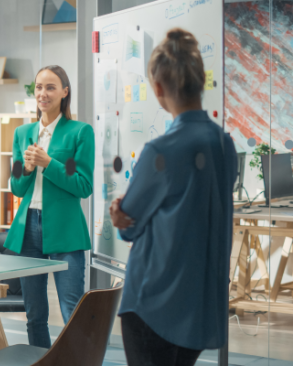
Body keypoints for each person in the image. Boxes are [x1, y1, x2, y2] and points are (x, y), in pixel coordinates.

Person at [110, 28, 236, 366]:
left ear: (159, 89)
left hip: (153, 304)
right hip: (199, 306)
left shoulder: (160, 150)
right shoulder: (225, 146)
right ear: (199, 83)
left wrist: (118, 215)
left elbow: (129, 225)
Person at [3, 65, 94, 348]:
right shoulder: (22, 133)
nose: (43, 93)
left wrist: (48, 164)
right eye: (39, 87)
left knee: (72, 311)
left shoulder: (80, 132)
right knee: (35, 314)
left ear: (65, 92)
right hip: (28, 227)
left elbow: (83, 186)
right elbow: (16, 186)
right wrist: (27, 169)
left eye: (51, 87)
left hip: (65, 229)